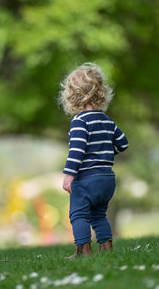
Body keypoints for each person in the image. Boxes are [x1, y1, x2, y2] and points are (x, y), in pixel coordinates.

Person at [59, 63, 128, 258]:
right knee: (99, 215)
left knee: (78, 215)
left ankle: (83, 251)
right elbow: (123, 144)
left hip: (86, 180)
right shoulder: (106, 120)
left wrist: (69, 175)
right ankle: (107, 249)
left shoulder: (80, 121)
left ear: (72, 95)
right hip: (106, 179)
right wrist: (103, 154)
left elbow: (77, 151)